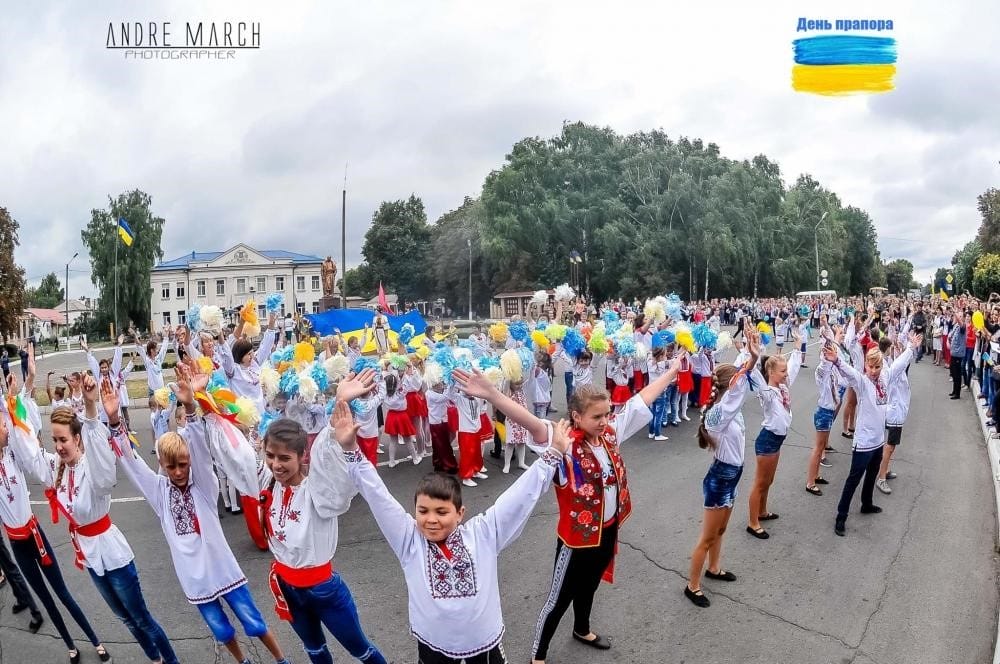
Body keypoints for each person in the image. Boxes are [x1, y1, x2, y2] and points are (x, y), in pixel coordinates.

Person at [453, 348, 684, 664]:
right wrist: (493, 395)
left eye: (607, 414)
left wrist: (672, 371)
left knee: (589, 585)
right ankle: (539, 655)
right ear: (576, 416)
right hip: (576, 540)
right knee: (557, 599)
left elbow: (641, 399)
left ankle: (582, 629)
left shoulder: (610, 434)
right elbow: (533, 424)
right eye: (597, 417)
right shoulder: (563, 442)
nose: (605, 421)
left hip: (607, 529)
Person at [335, 395, 570, 663]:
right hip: (433, 648)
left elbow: (517, 499)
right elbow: (378, 496)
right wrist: (351, 450)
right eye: (423, 511)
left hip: (484, 647)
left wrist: (553, 455)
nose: (431, 519)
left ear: (460, 514)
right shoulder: (409, 539)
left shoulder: (482, 534)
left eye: (441, 512)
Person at [115, 364, 290, 664]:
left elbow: (198, 446)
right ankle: (243, 661)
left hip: (223, 569)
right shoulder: (160, 492)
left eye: (183, 464)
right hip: (195, 580)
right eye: (172, 467)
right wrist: (111, 422)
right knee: (222, 633)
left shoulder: (204, 487)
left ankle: (281, 660)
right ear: (163, 466)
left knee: (254, 622)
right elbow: (133, 465)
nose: (179, 471)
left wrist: (190, 404)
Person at [218, 369, 389, 664]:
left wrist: (339, 402)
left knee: (361, 649)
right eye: (271, 456)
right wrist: (205, 410)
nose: (276, 464)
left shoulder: (317, 492)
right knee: (315, 651)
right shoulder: (268, 483)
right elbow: (237, 457)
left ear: (302, 458)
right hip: (288, 588)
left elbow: (327, 450)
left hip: (324, 590)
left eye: (285, 458)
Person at [7, 374, 178, 664]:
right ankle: (155, 659)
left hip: (113, 556)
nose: (58, 446)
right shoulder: (56, 468)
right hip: (89, 557)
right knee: (125, 619)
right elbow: (31, 455)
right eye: (55, 439)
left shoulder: (91, 466)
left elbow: (106, 473)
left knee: (142, 618)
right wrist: (12, 404)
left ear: (77, 438)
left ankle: (170, 661)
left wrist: (90, 409)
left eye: (64, 439)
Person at [684, 329, 762, 608]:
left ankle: (714, 569)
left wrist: (748, 354)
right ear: (731, 390)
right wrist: (752, 361)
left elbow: (739, 374)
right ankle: (692, 586)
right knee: (707, 537)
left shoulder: (729, 407)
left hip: (733, 474)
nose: (742, 390)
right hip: (721, 477)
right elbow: (741, 381)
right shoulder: (720, 414)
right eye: (738, 387)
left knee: (721, 530)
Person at [826, 331, 920, 536]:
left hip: (878, 440)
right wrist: (836, 361)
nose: (875, 371)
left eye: (878, 367)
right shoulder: (862, 382)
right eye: (871, 367)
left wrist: (911, 348)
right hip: (863, 441)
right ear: (866, 366)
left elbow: (898, 365)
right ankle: (841, 516)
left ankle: (866, 504)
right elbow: (849, 372)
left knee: (871, 475)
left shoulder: (885, 378)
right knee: (853, 479)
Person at [746, 333, 802, 539]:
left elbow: (794, 368)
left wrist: (797, 348)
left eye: (785, 370)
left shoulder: (783, 387)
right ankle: (753, 522)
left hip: (777, 440)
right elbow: (755, 377)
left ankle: (762, 511)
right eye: (782, 371)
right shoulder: (769, 393)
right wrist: (753, 354)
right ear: (770, 371)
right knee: (760, 482)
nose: (786, 374)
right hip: (768, 440)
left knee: (769, 480)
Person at [948, 311, 967, 399]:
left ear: (962, 318)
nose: (957, 317)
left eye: (960, 316)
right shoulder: (956, 326)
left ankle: (957, 393)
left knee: (957, 374)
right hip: (953, 352)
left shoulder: (963, 326)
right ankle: (954, 390)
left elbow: (960, 323)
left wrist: (955, 313)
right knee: (953, 372)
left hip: (958, 354)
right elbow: (950, 336)